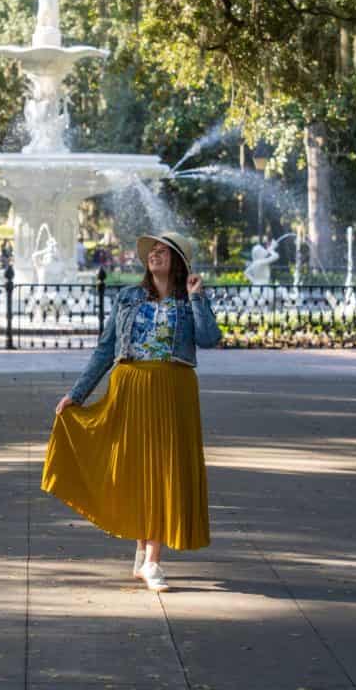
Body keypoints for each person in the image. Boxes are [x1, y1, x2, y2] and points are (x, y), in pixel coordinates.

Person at [41, 231, 221, 593]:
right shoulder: (128, 297)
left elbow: (208, 338)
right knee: (140, 471)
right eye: (151, 251)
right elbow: (105, 350)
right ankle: (144, 552)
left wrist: (198, 297)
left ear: (178, 260)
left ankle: (151, 559)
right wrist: (77, 394)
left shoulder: (190, 299)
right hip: (131, 389)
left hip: (173, 391)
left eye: (162, 251)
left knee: (165, 470)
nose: (154, 255)